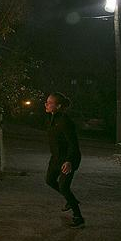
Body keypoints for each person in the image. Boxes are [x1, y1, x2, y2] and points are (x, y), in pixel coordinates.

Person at [44, 92, 85, 228]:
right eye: (47, 102)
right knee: (49, 180)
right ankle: (71, 200)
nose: (46, 104)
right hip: (56, 157)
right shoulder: (52, 118)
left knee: (64, 187)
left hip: (68, 158)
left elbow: (73, 144)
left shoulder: (65, 122)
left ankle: (78, 217)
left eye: (50, 103)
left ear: (58, 106)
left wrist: (69, 161)